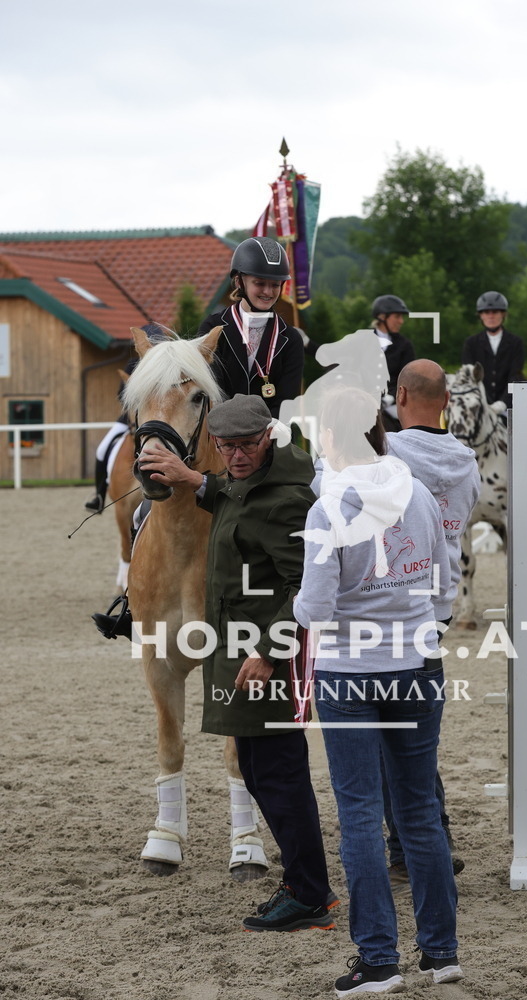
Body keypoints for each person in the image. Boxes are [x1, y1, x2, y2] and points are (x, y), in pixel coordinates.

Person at [139, 394, 334, 933]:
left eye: (247, 445)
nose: (236, 456)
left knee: (279, 773)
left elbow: (305, 588)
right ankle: (304, 885)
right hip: (239, 652)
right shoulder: (245, 483)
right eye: (226, 447)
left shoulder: (287, 499)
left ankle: (310, 893)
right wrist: (190, 476)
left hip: (265, 656)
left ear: (267, 438)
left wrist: (272, 650)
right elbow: (231, 493)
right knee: (259, 768)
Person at [294, 387, 463, 996]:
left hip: (350, 671)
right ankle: (442, 952)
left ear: (331, 436)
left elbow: (313, 608)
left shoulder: (327, 507)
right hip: (417, 664)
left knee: (360, 815)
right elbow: (445, 584)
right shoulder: (416, 491)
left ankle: (378, 960)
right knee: (419, 813)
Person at [382, 359, 480, 893]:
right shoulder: (466, 462)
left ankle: (413, 845)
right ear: (446, 401)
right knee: (413, 734)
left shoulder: (388, 454)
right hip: (436, 606)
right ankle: (426, 838)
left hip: (389, 602)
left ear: (400, 395)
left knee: (382, 737)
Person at [196, 236, 304, 418]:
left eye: (275, 285)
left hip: (271, 436)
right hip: (222, 436)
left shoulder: (291, 339)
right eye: (259, 283)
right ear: (239, 282)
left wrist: (261, 437)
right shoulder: (212, 327)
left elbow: (287, 403)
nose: (268, 292)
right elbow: (212, 393)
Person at [84, 323, 167, 513]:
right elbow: (121, 394)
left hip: (161, 417)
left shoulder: (166, 366)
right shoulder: (132, 364)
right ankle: (99, 495)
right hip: (131, 418)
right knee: (103, 449)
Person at [461, 291, 525, 408]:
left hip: (509, 405)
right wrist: (485, 402)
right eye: (486, 312)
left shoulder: (516, 343)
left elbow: (515, 375)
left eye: (495, 312)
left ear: (503, 314)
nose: (491, 316)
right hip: (479, 404)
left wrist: (503, 402)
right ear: (481, 315)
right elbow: (470, 376)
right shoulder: (471, 343)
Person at [371, 294, 416, 431]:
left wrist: (391, 396)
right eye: (397, 317)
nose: (401, 321)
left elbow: (408, 377)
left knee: (405, 427)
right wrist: (307, 344)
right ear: (382, 317)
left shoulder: (404, 345)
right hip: (365, 399)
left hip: (392, 402)